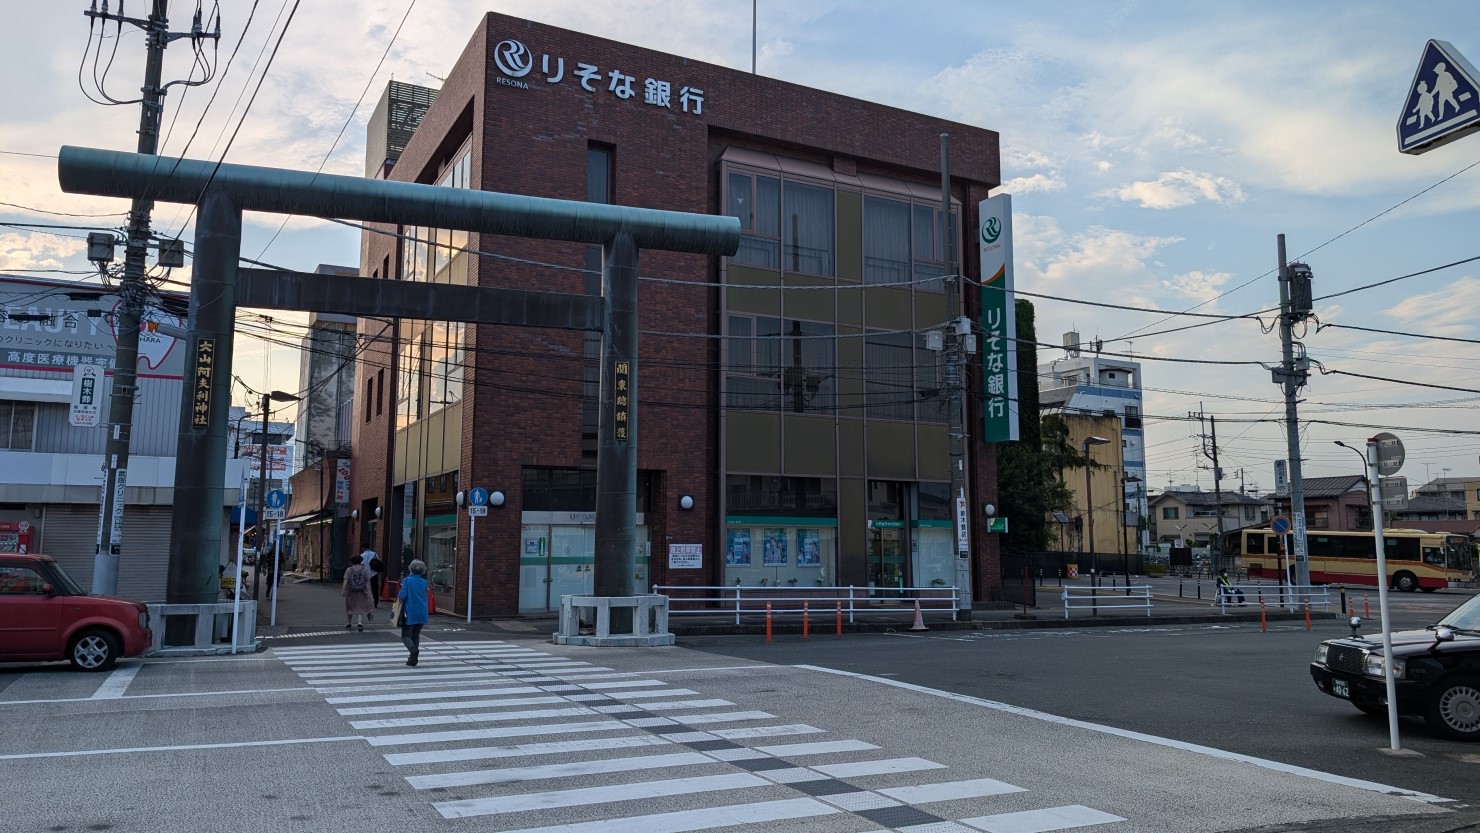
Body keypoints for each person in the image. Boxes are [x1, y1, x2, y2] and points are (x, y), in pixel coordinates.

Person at [397, 559, 431, 666]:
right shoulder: (425, 582)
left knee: (406, 635)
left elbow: (402, 596)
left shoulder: (407, 580)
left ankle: (413, 651)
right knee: (416, 635)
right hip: (422, 611)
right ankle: (413, 659)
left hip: (410, 611)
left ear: (411, 569)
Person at [342, 553, 375, 631]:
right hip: (362, 591)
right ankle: (359, 623)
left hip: (351, 591)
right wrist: (368, 591)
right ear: (361, 561)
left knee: (350, 606)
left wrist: (343, 590)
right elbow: (367, 581)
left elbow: (346, 580)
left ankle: (349, 623)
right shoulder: (364, 570)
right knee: (360, 606)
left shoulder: (349, 570)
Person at [361, 543, 383, 609]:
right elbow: (377, 563)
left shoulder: (362, 555)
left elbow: (362, 565)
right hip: (374, 573)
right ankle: (375, 602)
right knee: (375, 588)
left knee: (366, 588)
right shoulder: (374, 554)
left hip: (366, 574)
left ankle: (366, 602)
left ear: (363, 548)